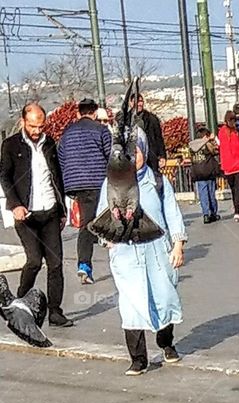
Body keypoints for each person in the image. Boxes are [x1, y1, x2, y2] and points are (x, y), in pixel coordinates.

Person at [96, 128, 186, 376]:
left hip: (157, 250)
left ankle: (166, 343)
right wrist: (109, 240)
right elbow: (101, 215)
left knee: (164, 297)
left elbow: (172, 212)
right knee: (131, 305)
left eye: (135, 151)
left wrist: (178, 243)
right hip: (127, 253)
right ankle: (138, 359)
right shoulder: (111, 182)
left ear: (144, 152)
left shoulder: (157, 180)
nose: (131, 157)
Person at [0, 102, 71, 327]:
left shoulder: (49, 143)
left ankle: (55, 312)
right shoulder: (11, 145)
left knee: (56, 263)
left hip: (49, 210)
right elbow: (5, 177)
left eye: (41, 126)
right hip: (25, 213)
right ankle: (20, 303)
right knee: (33, 260)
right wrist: (15, 205)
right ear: (23, 122)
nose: (37, 131)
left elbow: (56, 175)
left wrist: (61, 210)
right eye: (33, 126)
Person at [56, 97, 112, 284]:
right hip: (98, 181)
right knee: (101, 219)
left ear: (78, 113)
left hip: (75, 184)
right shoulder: (102, 130)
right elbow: (111, 156)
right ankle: (88, 263)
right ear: (95, 113)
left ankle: (84, 265)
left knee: (86, 223)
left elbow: (61, 159)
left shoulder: (67, 134)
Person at [218, 110, 239, 223]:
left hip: (227, 167)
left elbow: (218, 145)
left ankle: (236, 209)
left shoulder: (221, 132)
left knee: (233, 190)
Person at [188, 126, 220, 224]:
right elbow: (217, 150)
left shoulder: (192, 146)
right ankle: (213, 212)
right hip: (208, 171)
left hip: (198, 173)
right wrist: (214, 139)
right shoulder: (207, 145)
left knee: (203, 194)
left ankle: (205, 213)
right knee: (210, 192)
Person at [134, 93, 166, 173]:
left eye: (141, 101)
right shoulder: (126, 120)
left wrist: (162, 156)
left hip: (151, 158)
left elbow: (159, 138)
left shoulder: (152, 119)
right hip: (135, 159)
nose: (139, 104)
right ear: (131, 103)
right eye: (137, 101)